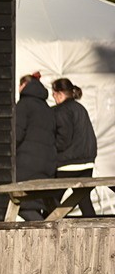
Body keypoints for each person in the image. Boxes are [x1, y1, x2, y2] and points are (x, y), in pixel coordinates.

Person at [51, 77, 98, 217]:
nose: (53, 98)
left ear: (59, 94)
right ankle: (93, 229)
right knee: (84, 200)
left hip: (68, 163)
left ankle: (48, 227)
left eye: (53, 94)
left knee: (52, 198)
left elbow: (63, 139)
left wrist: (51, 149)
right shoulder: (80, 108)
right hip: (87, 162)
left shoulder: (62, 111)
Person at [14, 73, 56, 221]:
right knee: (40, 203)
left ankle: (48, 235)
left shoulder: (23, 105)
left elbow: (16, 134)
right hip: (47, 163)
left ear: (24, 85)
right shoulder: (47, 108)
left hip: (27, 163)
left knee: (20, 203)